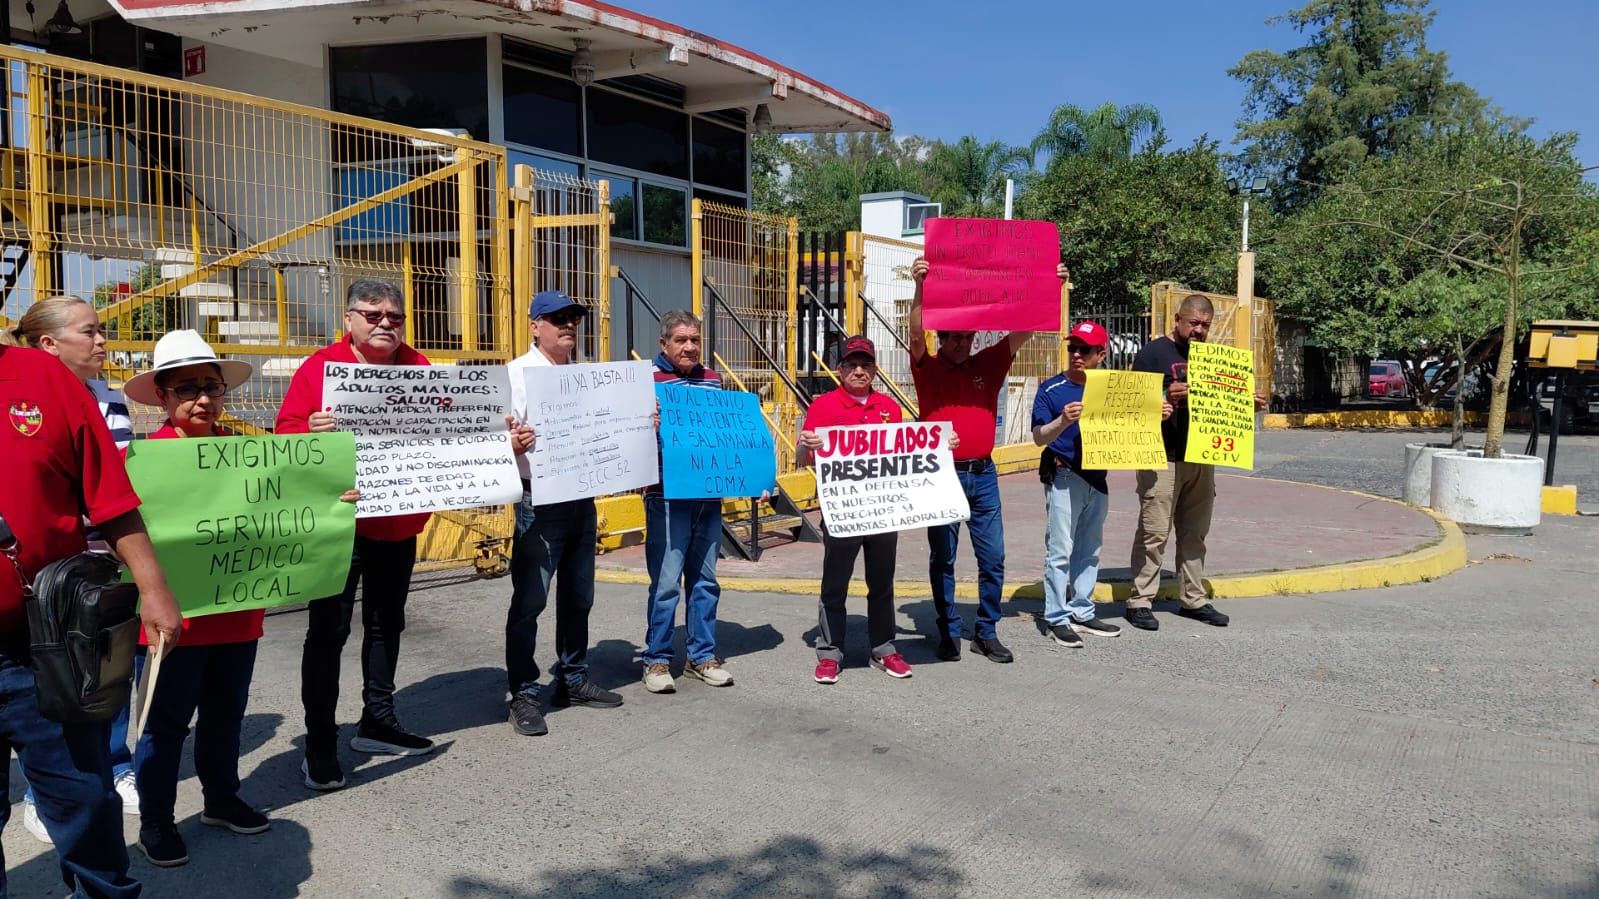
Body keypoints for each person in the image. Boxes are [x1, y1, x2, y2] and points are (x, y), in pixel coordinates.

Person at [123, 331, 337, 866]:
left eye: (212, 387)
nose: (202, 398)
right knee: (165, 723)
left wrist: (337, 493)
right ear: (162, 398)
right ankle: (157, 821)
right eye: (187, 388)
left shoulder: (250, 453)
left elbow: (300, 503)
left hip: (240, 615)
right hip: (178, 622)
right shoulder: (143, 461)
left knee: (226, 714)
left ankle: (221, 798)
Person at [0, 328, 182, 899]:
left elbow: (110, 496)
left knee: (85, 799)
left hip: (44, 647)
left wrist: (153, 589)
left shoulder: (42, 375)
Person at [276, 278, 436, 790]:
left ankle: (378, 721)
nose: (385, 323)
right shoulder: (320, 369)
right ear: (348, 320)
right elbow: (286, 434)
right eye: (373, 314)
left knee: (388, 624)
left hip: (398, 522)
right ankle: (319, 742)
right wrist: (311, 432)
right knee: (328, 633)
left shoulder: (419, 369)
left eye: (395, 316)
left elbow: (450, 431)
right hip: (338, 526)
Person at [9, 297, 137, 844]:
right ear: (49, 344)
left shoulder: (94, 397)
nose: (103, 342)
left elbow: (112, 495)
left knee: (92, 711)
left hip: (60, 608)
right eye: (91, 332)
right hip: (58, 592)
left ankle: (112, 767)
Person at [907, 257, 1069, 664]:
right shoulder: (928, 368)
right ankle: (948, 630)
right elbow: (913, 333)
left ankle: (986, 630)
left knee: (993, 557)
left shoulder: (989, 363)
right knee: (943, 558)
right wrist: (920, 287)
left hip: (984, 476)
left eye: (967, 337)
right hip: (941, 477)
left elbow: (1024, 331)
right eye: (954, 337)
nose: (962, 343)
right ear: (941, 338)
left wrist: (1054, 287)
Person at [502, 290, 622, 736]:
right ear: (535, 325)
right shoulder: (516, 375)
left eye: (573, 317)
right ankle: (524, 692)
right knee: (531, 600)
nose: (568, 324)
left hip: (581, 497)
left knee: (579, 595)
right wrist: (512, 446)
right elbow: (495, 443)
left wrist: (637, 424)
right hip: (539, 501)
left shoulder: (585, 377)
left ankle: (573, 677)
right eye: (556, 318)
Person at [1126, 294, 1267, 631]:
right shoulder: (1153, 354)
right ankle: (1140, 600)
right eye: (1194, 323)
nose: (1199, 330)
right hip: (1162, 457)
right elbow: (1130, 403)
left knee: (1195, 533)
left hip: (1203, 456)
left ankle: (1193, 599)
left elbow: (1223, 403)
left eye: (1205, 325)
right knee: (1154, 532)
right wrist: (1165, 396)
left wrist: (1247, 405)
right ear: (1178, 319)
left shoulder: (1216, 359)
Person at [1032, 321, 1172, 648]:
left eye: (1085, 350)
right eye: (1073, 348)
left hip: (1098, 478)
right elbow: (1039, 436)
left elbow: (1136, 420)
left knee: (1090, 549)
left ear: (1101, 354)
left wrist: (1159, 413)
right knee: (1060, 550)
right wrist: (1062, 421)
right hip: (1064, 474)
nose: (1077, 355)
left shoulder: (1113, 388)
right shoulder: (1052, 390)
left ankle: (1082, 609)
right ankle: (1056, 617)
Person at [798, 336, 923, 684]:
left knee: (881, 583)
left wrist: (941, 447)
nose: (858, 371)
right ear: (840, 370)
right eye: (852, 364)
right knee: (835, 585)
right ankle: (830, 651)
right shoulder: (823, 407)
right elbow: (801, 457)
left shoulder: (889, 408)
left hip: (882, 512)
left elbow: (904, 455)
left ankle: (883, 648)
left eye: (865, 365)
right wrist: (806, 446)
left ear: (874, 369)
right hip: (842, 512)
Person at [640, 310, 734, 694]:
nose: (690, 347)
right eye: (681, 340)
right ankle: (657, 660)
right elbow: (627, 440)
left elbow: (729, 437)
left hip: (707, 495)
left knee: (706, 581)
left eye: (695, 339)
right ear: (664, 344)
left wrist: (753, 476)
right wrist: (648, 426)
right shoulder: (645, 381)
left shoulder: (713, 380)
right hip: (665, 496)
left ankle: (701, 656)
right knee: (665, 584)